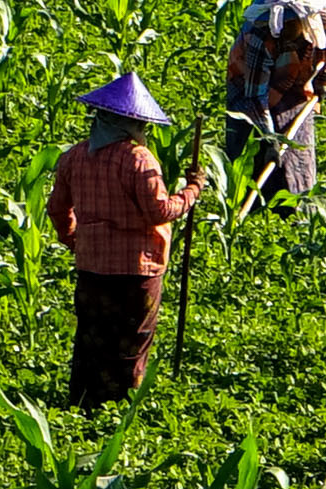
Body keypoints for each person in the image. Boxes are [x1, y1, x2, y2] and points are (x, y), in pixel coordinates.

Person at [42, 72, 206, 411]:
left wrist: (76, 240)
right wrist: (191, 192)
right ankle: (121, 409)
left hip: (91, 267)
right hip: (138, 270)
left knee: (91, 340)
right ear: (128, 124)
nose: (142, 132)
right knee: (131, 342)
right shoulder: (137, 159)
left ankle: (83, 405)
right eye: (140, 125)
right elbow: (159, 210)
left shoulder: (74, 157)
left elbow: (57, 209)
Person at [221, 0, 326, 208]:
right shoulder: (259, 36)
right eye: (283, 22)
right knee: (254, 156)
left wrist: (323, 85)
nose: (286, 28)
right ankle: (250, 213)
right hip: (249, 94)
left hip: (296, 92)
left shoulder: (322, 20)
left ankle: (296, 209)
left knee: (297, 156)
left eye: (292, 22)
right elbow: (255, 98)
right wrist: (269, 138)